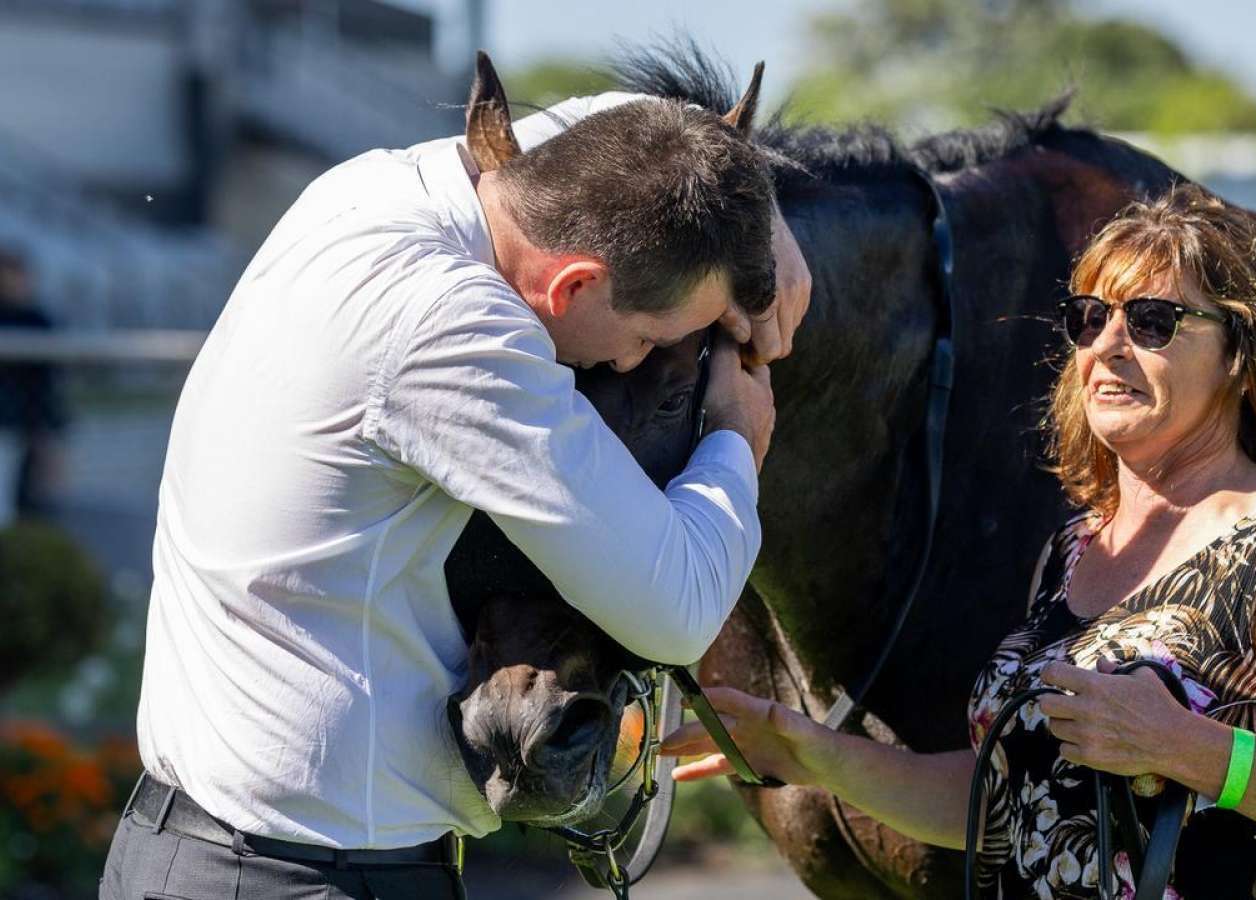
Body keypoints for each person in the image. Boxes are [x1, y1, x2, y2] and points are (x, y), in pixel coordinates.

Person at [100, 89, 811, 899]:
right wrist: (732, 440)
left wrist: (756, 210)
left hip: (200, 856)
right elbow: (675, 611)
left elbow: (610, 127)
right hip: (303, 877)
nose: (626, 363)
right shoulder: (454, 332)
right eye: (646, 338)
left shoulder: (374, 189)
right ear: (573, 285)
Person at [661, 184, 1256, 898]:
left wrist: (1189, 748)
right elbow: (1007, 800)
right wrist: (813, 753)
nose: (1109, 346)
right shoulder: (1078, 551)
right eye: (1089, 319)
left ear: (1241, 352)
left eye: (1152, 322)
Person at [0, 248, 67, 526]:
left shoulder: (37, 321)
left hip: (22, 425)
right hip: (10, 423)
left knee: (22, 503)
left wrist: (51, 432)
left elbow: (47, 385)